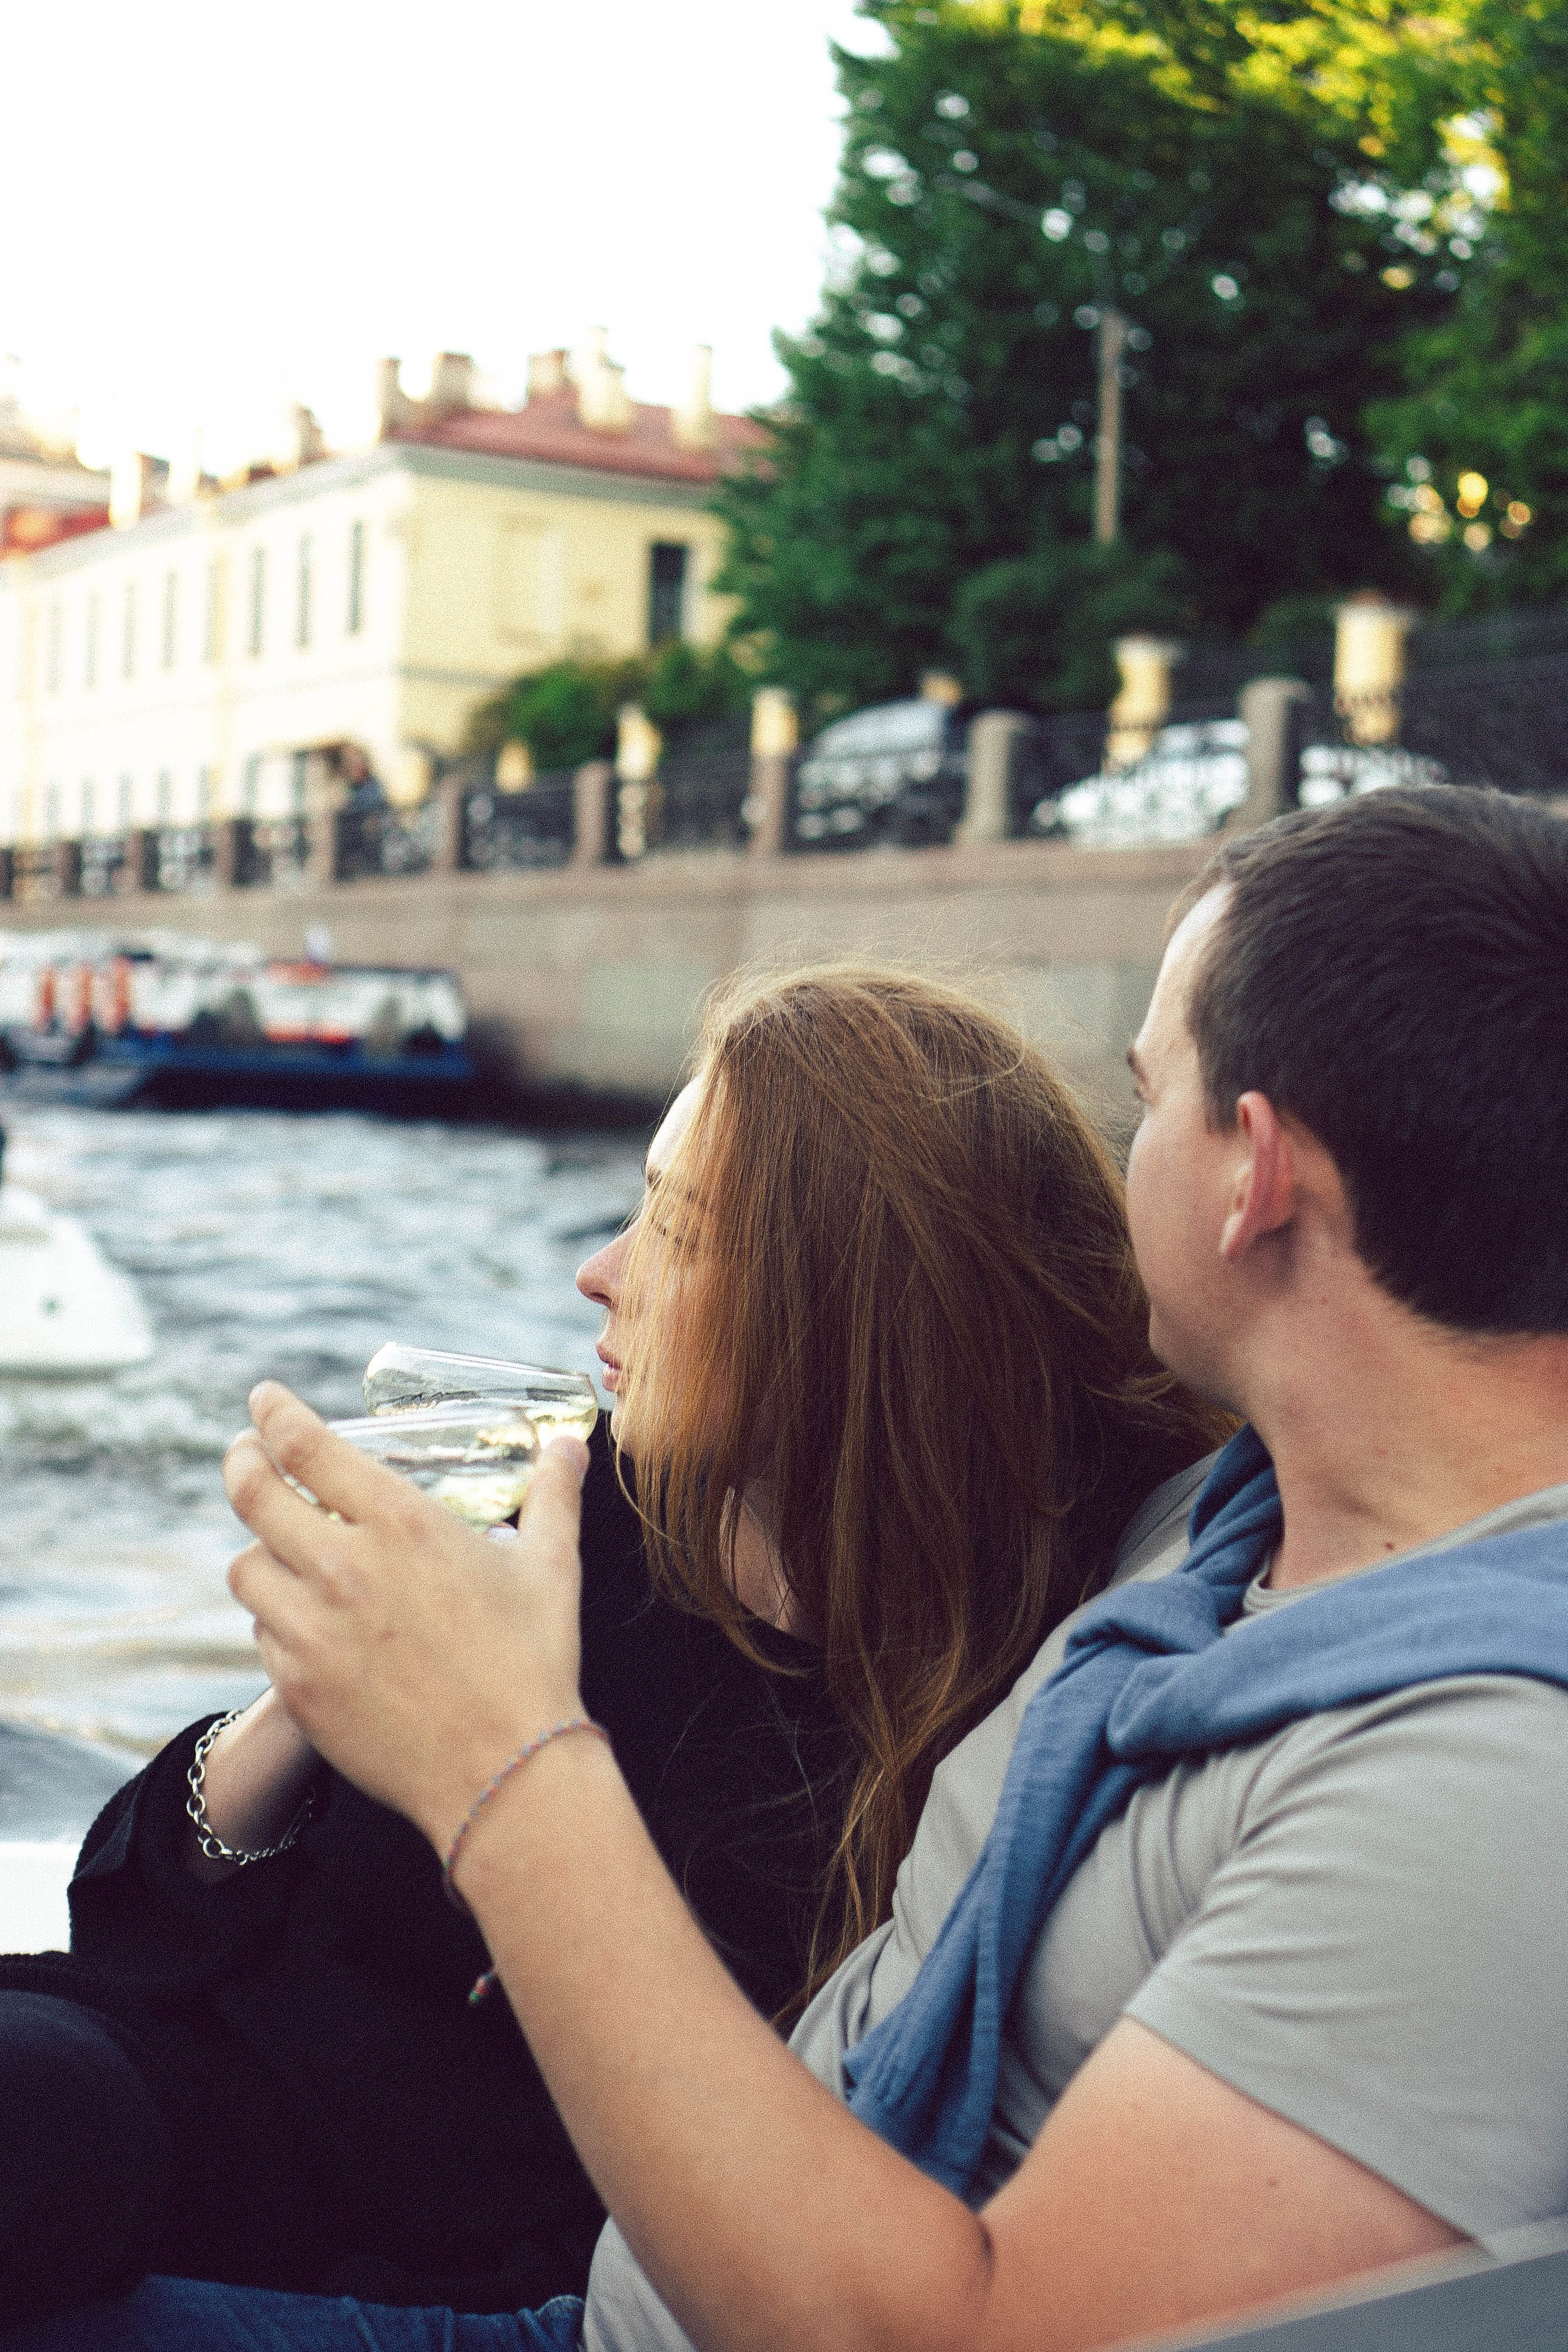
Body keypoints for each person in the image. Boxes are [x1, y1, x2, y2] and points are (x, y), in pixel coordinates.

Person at [0, 964, 1224, 2334]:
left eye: (675, 1227)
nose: (599, 1274)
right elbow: (137, 1918)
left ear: (842, 1309)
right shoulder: (583, 1516)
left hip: (474, 2261)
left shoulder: (1004, 1699)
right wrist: (308, 1697)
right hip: (181, 2098)